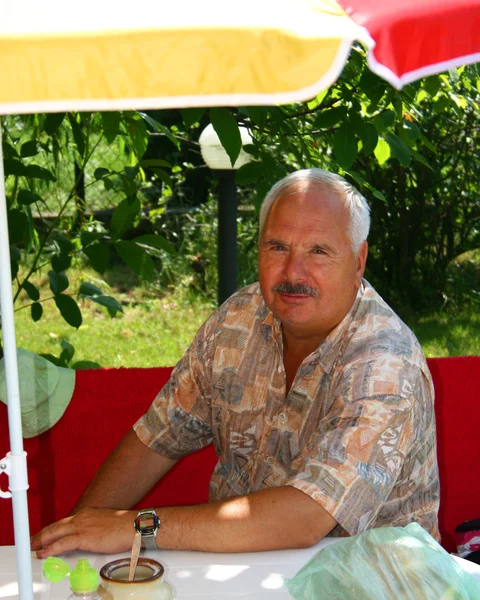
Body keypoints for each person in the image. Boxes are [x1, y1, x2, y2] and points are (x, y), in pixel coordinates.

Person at [31, 168, 439, 558]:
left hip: (372, 583)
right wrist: (72, 536)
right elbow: (159, 436)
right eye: (278, 246)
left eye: (319, 251)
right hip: (242, 569)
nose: (293, 272)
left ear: (358, 260)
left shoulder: (386, 363)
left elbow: (305, 517)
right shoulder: (239, 317)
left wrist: (136, 527)